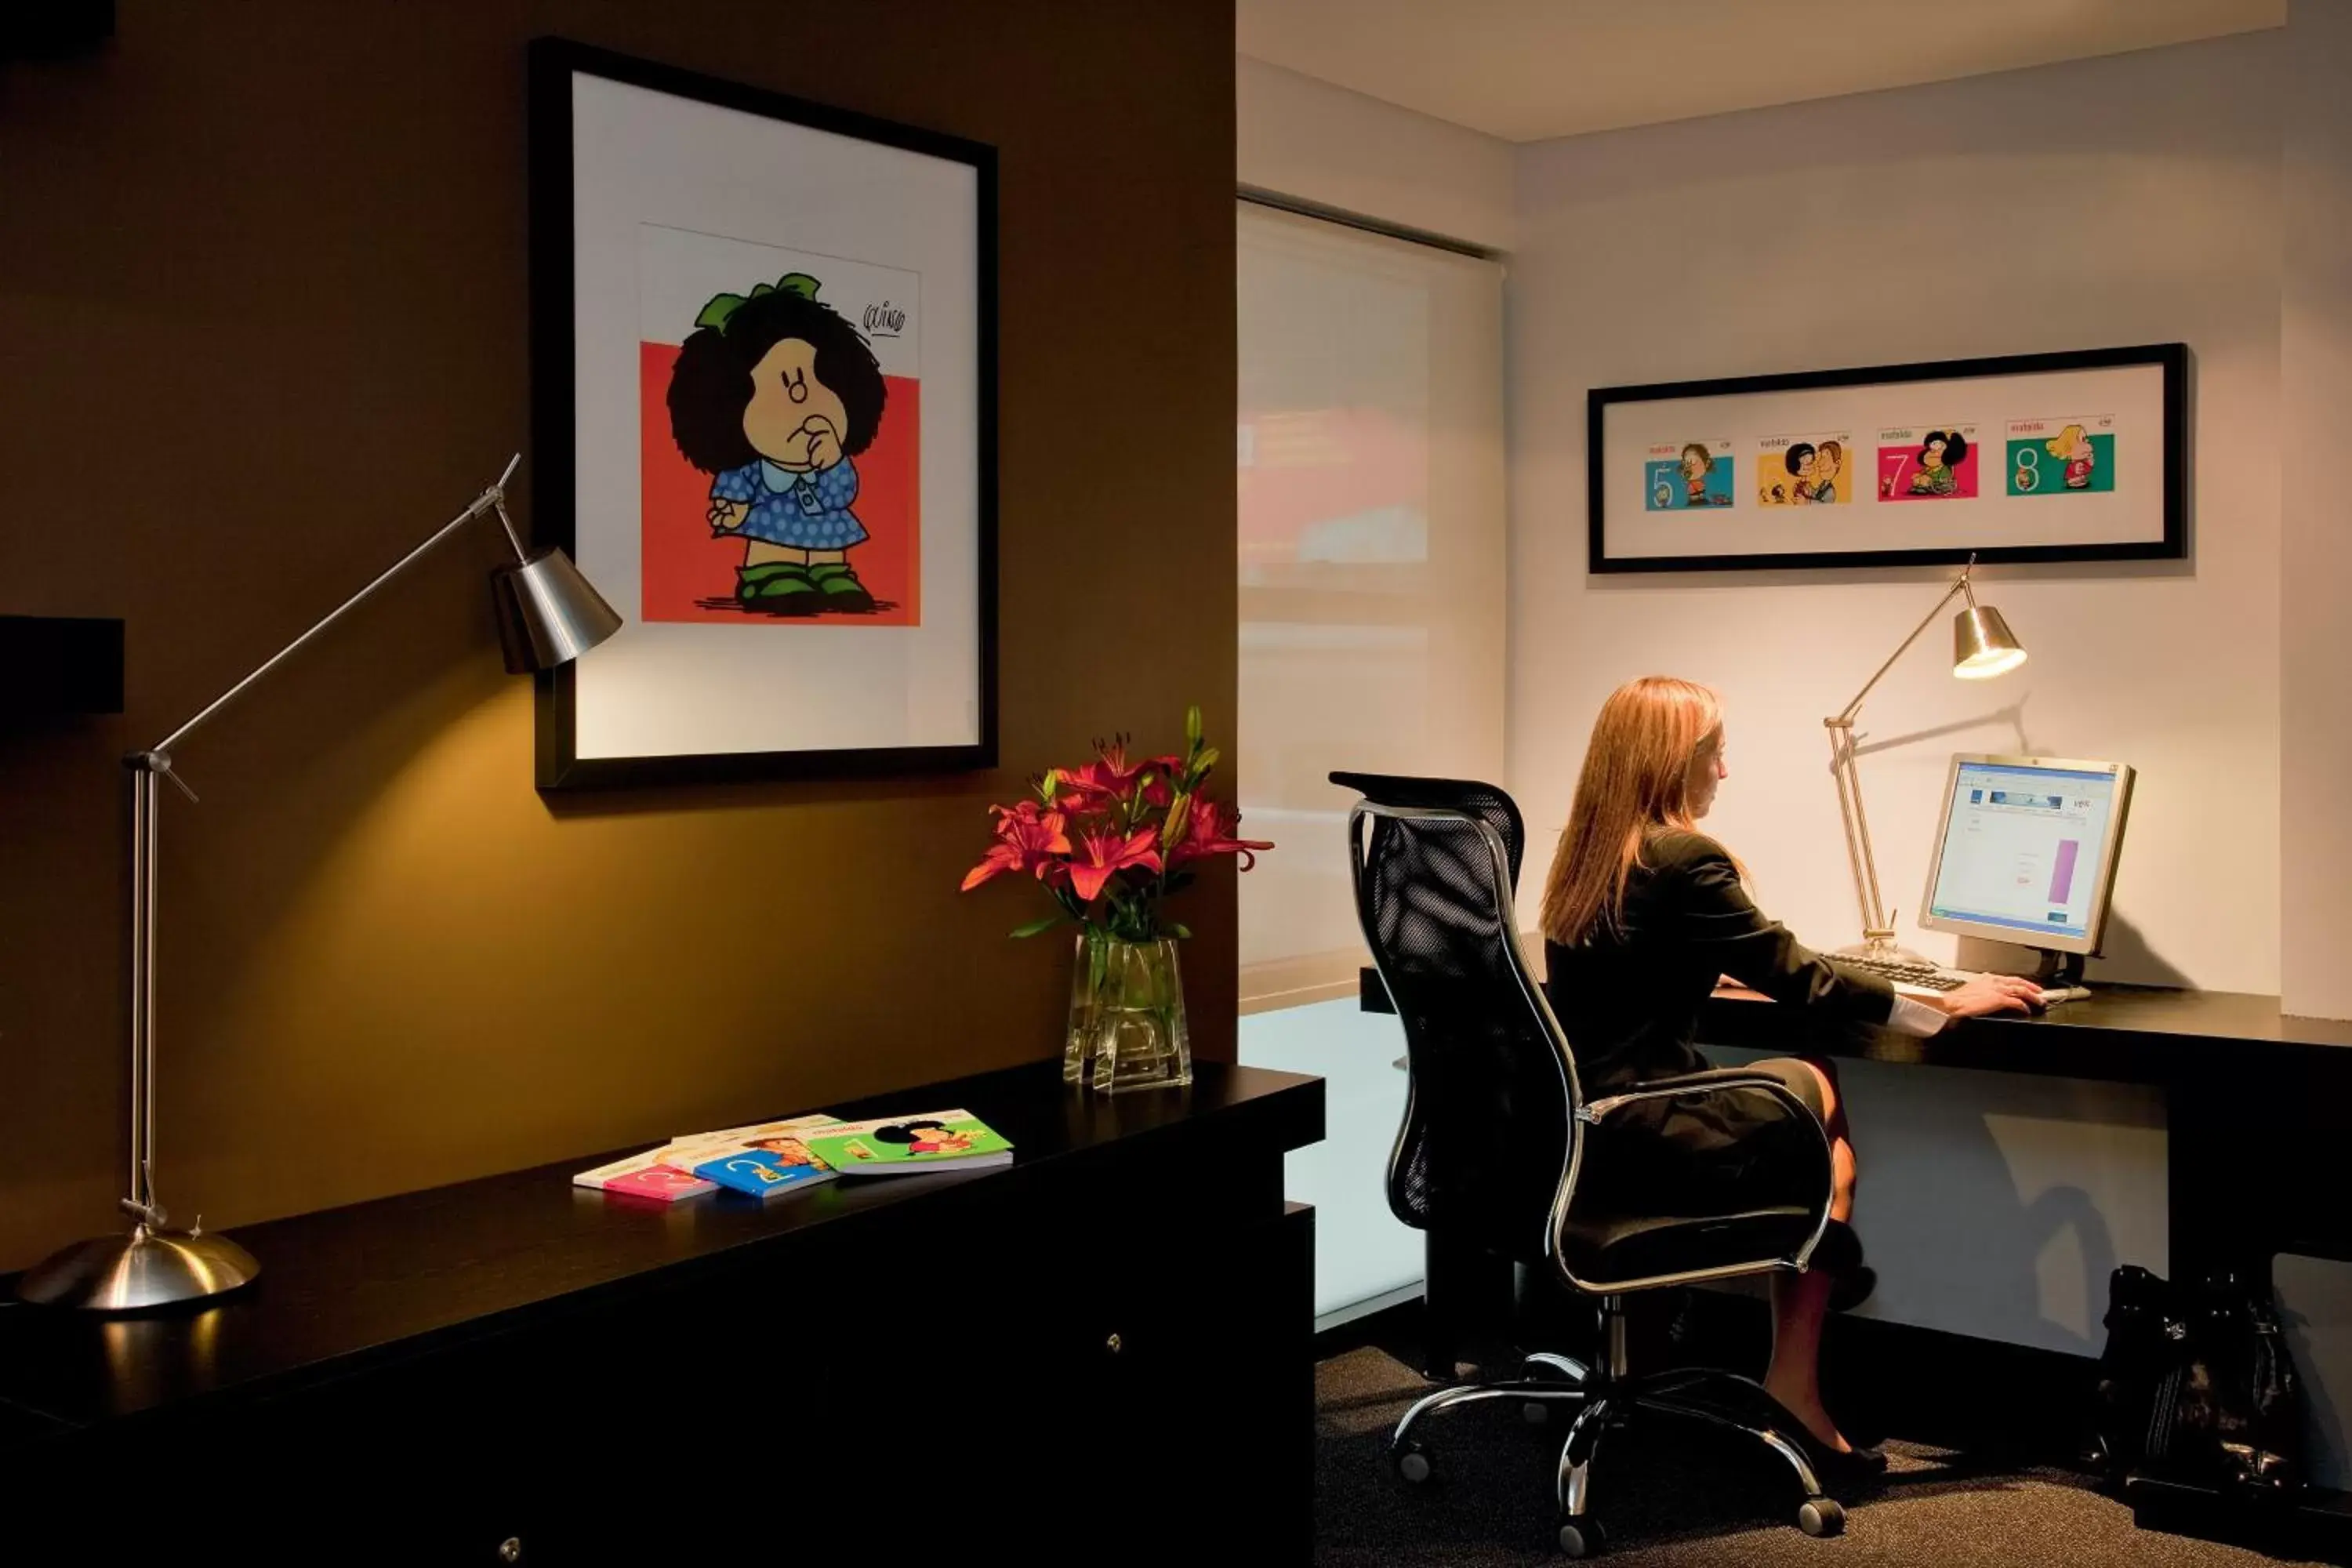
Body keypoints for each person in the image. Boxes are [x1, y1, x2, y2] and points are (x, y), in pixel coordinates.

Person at [1537, 676, 2041, 1468]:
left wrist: (1720, 966)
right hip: (1647, 1120)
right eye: (1716, 753)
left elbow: (1642, 963)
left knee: (1812, 1104)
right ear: (1675, 760)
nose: (1724, 771)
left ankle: (1804, 1274)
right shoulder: (1687, 857)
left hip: (1583, 1123)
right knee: (1818, 1097)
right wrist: (1945, 1005)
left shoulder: (1590, 850)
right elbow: (1808, 979)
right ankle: (1800, 1356)